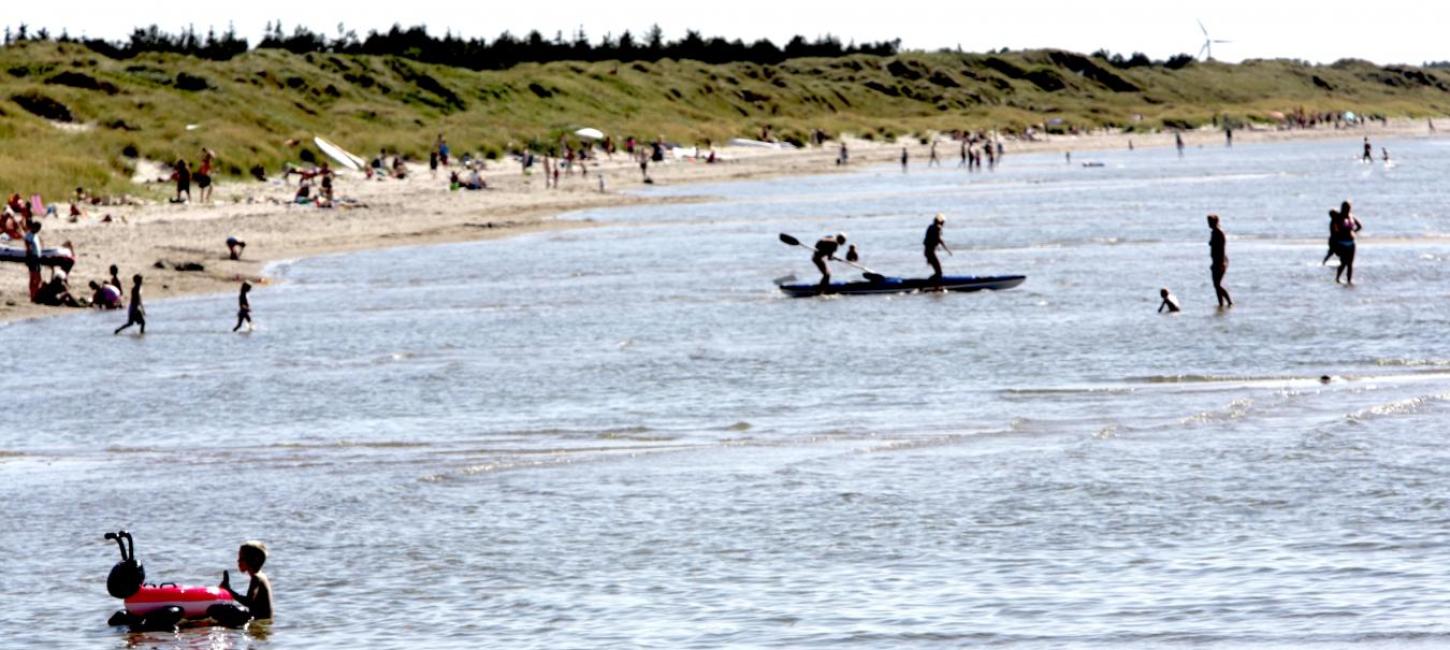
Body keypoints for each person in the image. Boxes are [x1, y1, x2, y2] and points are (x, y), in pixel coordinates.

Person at [210, 540, 273, 627]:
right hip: (262, 621)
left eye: (241, 558)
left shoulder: (257, 578)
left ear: (254, 560)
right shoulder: (260, 576)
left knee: (218, 610)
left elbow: (248, 601)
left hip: (259, 621)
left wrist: (229, 590)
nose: (238, 561)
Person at [1332, 201, 1363, 285]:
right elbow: (1335, 229)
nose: (1348, 209)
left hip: (1351, 242)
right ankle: (1337, 278)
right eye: (1346, 207)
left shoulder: (1351, 216)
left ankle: (1349, 280)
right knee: (1344, 262)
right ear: (1342, 208)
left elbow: (1360, 226)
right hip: (1342, 243)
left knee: (1350, 263)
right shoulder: (1339, 217)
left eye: (1349, 207)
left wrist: (1353, 232)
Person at [1207, 214, 1232, 308]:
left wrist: (1220, 263)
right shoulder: (1213, 232)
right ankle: (1221, 304)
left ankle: (1229, 302)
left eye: (1210, 222)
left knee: (1217, 284)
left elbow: (1221, 249)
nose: (1208, 224)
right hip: (1215, 261)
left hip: (1220, 261)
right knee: (1216, 285)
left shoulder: (1219, 232)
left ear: (1215, 222)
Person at [924, 213, 952, 283]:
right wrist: (947, 249)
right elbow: (938, 239)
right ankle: (932, 284)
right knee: (939, 272)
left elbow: (928, 240)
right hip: (930, 252)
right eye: (943, 222)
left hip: (927, 251)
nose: (943, 223)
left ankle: (932, 283)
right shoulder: (937, 228)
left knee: (937, 271)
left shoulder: (930, 227)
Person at [23, 220, 42, 302]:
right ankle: (32, 296)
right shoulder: (28, 236)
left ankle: (36, 294)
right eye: (37, 228)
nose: (38, 230)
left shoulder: (35, 235)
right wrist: (28, 258)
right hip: (32, 258)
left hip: (37, 258)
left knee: (38, 278)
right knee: (33, 277)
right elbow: (28, 248)